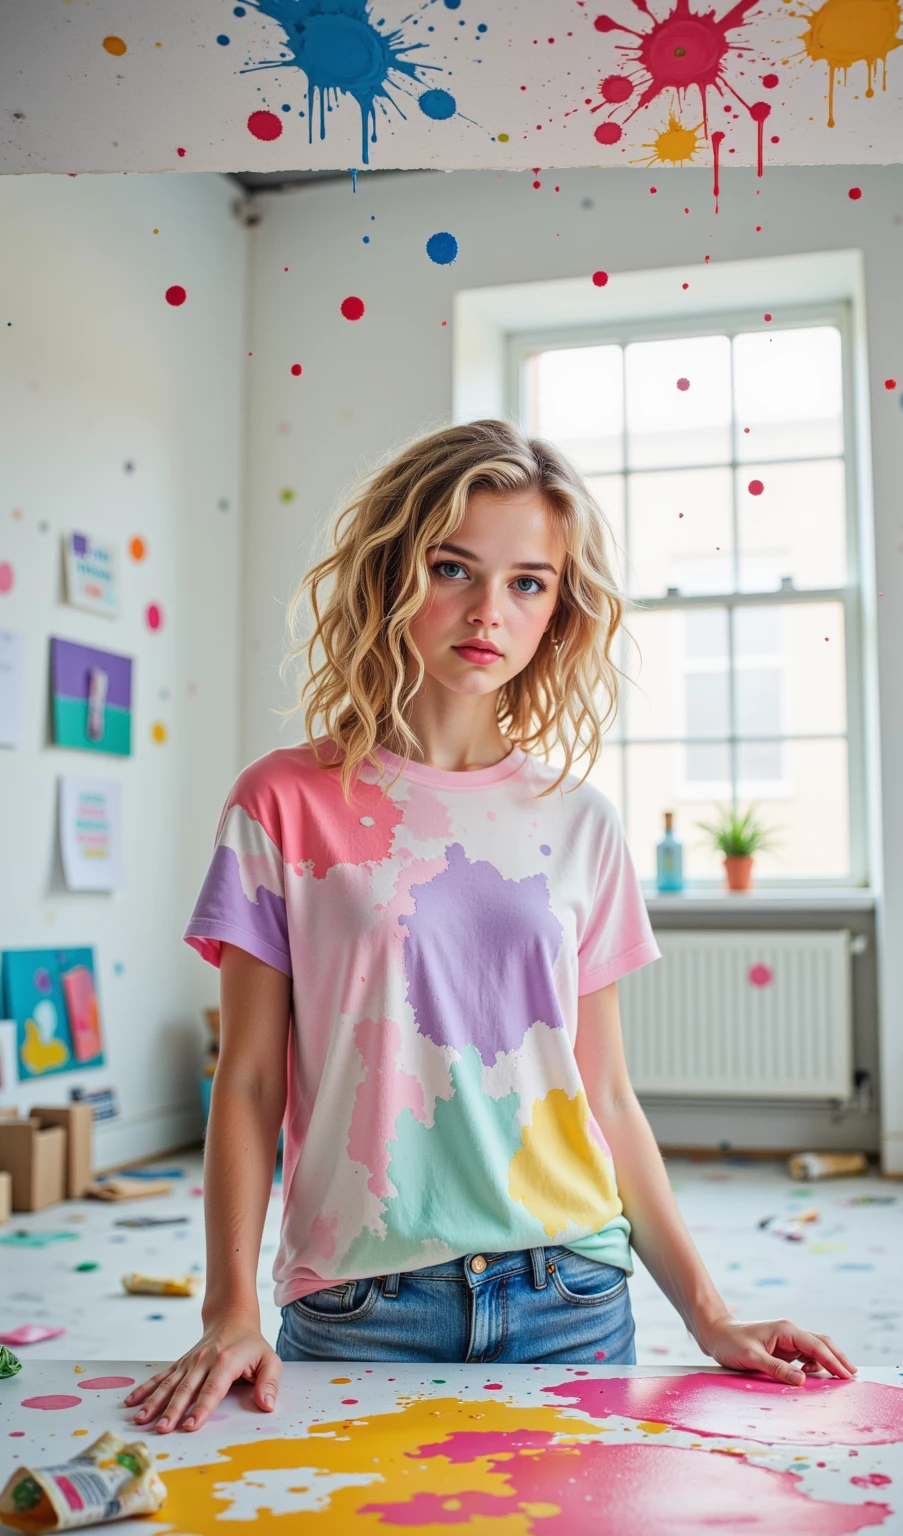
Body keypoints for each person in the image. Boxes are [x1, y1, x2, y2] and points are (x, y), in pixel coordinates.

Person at [124, 419, 856, 1435]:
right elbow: (247, 1080)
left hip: (571, 1294)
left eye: (528, 583)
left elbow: (605, 1093)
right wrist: (229, 1311)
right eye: (452, 568)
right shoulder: (281, 802)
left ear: (559, 609)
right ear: (391, 572)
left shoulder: (581, 820)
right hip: (360, 1302)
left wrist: (711, 1313)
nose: (487, 611)